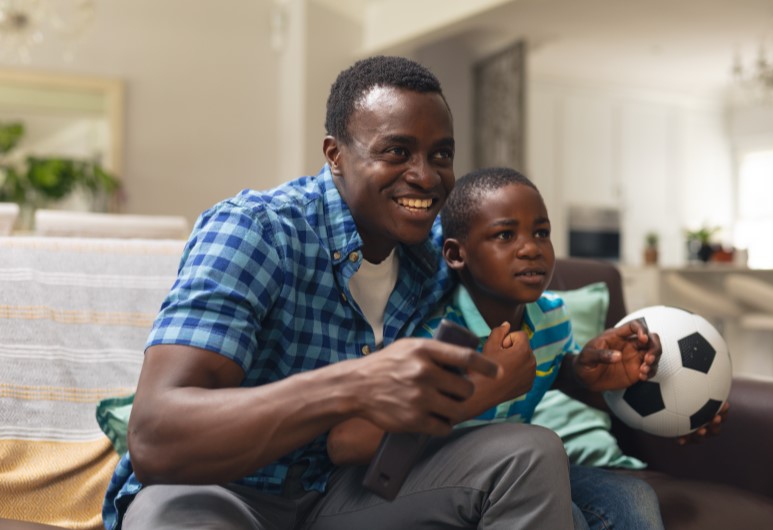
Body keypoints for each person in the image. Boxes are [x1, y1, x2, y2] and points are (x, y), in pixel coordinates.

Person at [102, 56, 576, 529]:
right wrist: (355, 384)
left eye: (441, 155)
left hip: (346, 493)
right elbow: (156, 439)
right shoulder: (256, 231)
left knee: (528, 454)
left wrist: (588, 368)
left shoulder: (433, 252)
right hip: (217, 490)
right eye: (396, 151)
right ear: (335, 155)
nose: (426, 177)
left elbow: (517, 293)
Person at [326, 167, 694, 529]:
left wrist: (583, 370)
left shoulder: (552, 318)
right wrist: (477, 388)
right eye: (505, 235)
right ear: (457, 254)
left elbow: (554, 372)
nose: (530, 248)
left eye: (541, 232)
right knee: (573, 518)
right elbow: (348, 442)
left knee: (633, 498)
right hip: (428, 477)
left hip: (518, 474)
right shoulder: (432, 333)